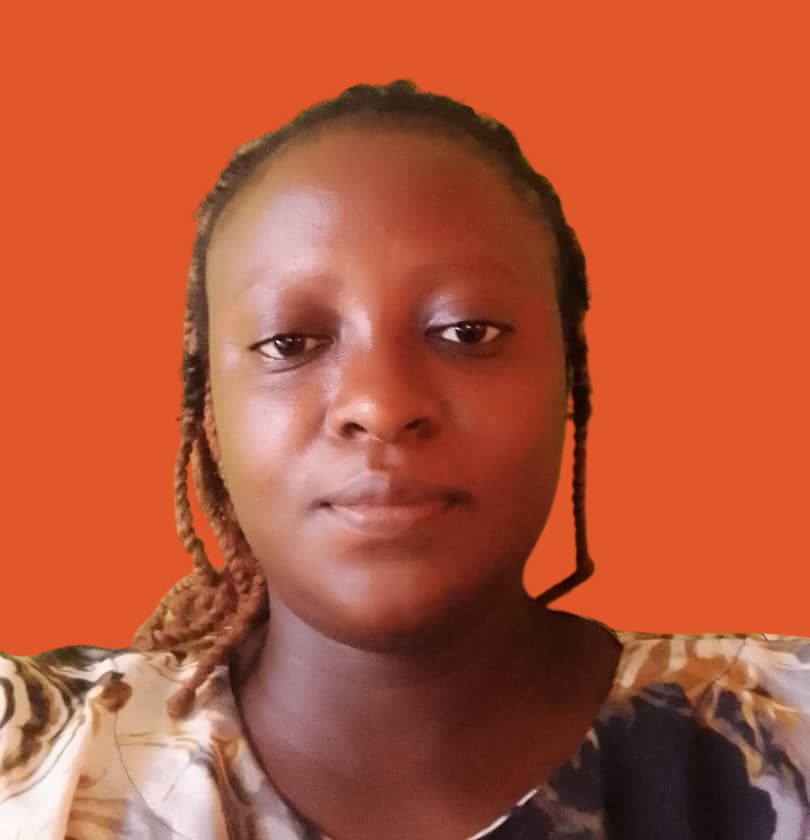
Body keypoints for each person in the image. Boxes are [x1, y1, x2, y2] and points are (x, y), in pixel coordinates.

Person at [0, 79, 808, 840]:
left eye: (467, 331)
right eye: (290, 342)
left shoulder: (787, 729)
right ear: (208, 406)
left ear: (570, 372)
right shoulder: (27, 766)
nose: (381, 404)